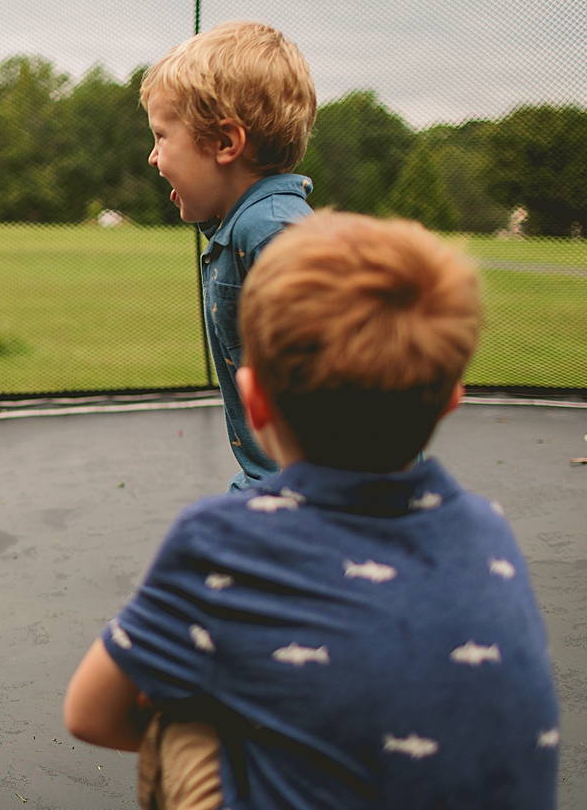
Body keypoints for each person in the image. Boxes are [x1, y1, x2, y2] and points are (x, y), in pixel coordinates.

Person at [62, 211, 560, 809]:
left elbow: (90, 713)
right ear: (452, 400)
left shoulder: (221, 540)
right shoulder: (491, 529)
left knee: (182, 718)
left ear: (256, 402)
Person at [141, 20, 317, 492]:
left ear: (224, 144)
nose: (154, 158)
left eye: (162, 136)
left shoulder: (272, 234)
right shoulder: (240, 227)